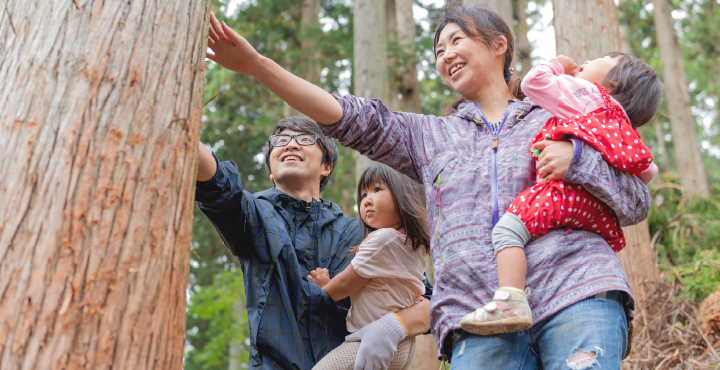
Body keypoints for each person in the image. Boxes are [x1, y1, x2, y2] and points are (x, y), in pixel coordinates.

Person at [205, 3, 651, 367]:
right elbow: (345, 115)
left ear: (500, 45)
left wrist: (578, 161)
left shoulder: (558, 114)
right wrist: (256, 66)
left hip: (576, 289)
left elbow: (635, 200)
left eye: (457, 39)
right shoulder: (429, 136)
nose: (446, 54)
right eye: (438, 49)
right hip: (476, 315)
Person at [195, 116, 432, 370]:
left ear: (326, 166)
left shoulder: (364, 233)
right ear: (271, 172)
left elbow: (428, 300)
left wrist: (392, 326)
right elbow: (217, 186)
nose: (291, 144)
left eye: (305, 139)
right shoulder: (252, 216)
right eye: (281, 140)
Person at [459, 53, 663, 335]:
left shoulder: (588, 94)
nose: (586, 62)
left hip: (563, 195)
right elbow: (647, 172)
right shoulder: (623, 124)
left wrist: (556, 65)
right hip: (596, 215)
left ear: (612, 83)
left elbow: (534, 82)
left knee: (506, 232)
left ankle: (510, 299)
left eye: (600, 58)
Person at [308, 163, 430, 370]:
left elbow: (345, 284)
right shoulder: (410, 242)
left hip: (375, 340)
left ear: (403, 195)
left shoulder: (382, 240)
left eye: (377, 190)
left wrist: (324, 288)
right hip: (401, 340)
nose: (366, 200)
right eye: (363, 195)